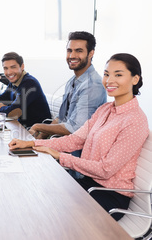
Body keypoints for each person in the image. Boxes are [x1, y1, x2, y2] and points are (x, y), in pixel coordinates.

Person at [9, 53, 149, 221]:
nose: (109, 80)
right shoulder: (104, 109)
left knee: (46, 211)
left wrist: (60, 157)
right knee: (35, 194)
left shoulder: (135, 120)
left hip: (109, 196)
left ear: (135, 79)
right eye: (106, 74)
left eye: (118, 74)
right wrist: (30, 143)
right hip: (88, 184)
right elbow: (75, 140)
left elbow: (105, 170)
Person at [29, 31, 106, 139]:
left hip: (75, 152)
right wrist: (40, 138)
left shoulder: (93, 85)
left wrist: (38, 127)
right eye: (69, 50)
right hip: (60, 144)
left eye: (79, 51)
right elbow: (60, 117)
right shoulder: (73, 81)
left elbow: (75, 128)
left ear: (91, 53)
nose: (72, 55)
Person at [0, 52, 51, 128]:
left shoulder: (29, 83)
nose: (9, 72)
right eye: (5, 68)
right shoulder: (14, 82)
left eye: (13, 67)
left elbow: (13, 113)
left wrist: (0, 108)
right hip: (21, 128)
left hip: (37, 133)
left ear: (22, 66)